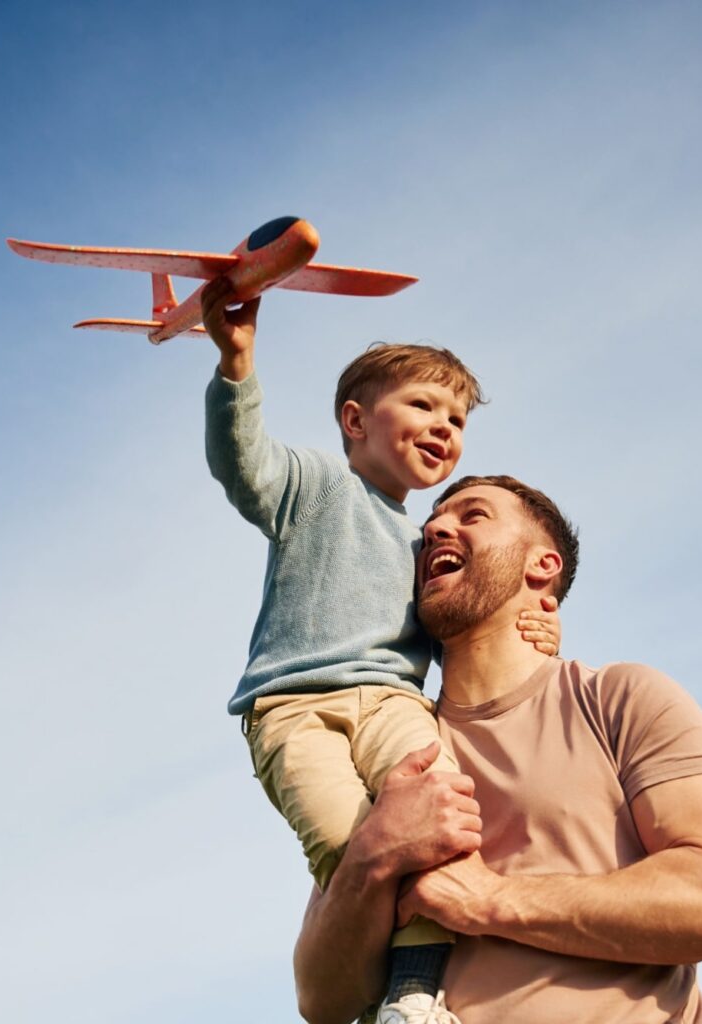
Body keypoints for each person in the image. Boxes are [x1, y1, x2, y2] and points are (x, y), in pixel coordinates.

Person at [294, 475, 702, 1024]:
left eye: (473, 515)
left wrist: (487, 900)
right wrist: (373, 855)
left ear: (542, 566)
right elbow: (321, 1001)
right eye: (432, 523)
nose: (434, 528)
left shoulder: (618, 698)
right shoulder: (386, 740)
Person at [201, 284, 559, 1024]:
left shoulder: (429, 545)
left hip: (395, 704)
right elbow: (242, 463)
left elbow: (466, 628)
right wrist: (236, 365)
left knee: (444, 821)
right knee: (350, 845)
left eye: (456, 419)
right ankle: (367, 989)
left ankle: (415, 993)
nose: (444, 427)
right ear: (356, 422)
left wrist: (539, 623)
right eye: (424, 406)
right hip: (294, 710)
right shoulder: (316, 485)